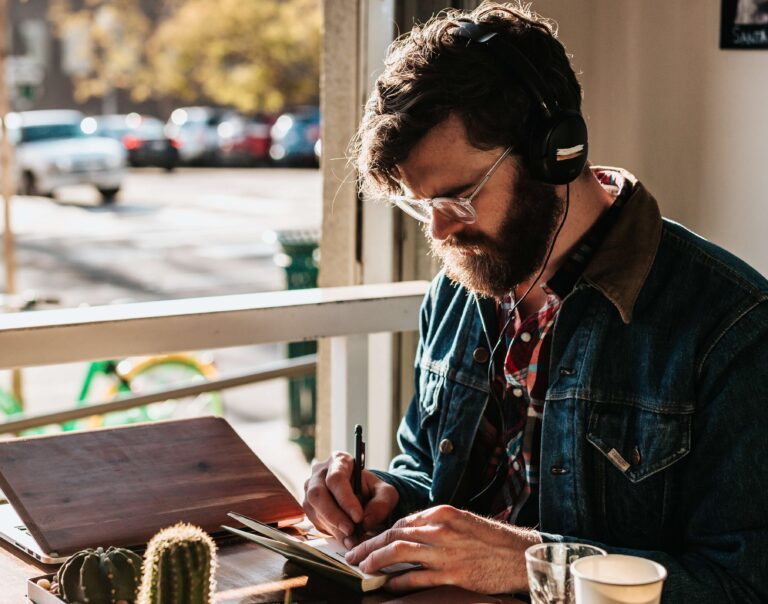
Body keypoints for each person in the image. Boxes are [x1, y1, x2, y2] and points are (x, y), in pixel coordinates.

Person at [303, 2, 768, 600]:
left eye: (459, 199)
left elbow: (744, 580)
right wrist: (385, 495)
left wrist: (532, 561)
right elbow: (427, 466)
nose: (440, 234)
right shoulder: (460, 286)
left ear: (557, 152)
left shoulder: (734, 329)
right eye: (420, 206)